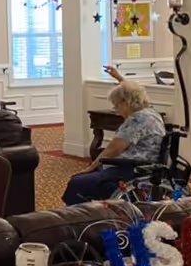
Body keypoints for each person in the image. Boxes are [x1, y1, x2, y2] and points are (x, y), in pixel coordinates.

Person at [62, 75, 165, 205]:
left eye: (116, 105)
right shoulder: (151, 113)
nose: (116, 110)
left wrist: (92, 166)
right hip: (145, 165)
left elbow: (114, 149)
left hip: (132, 169)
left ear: (126, 102)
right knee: (87, 178)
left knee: (77, 181)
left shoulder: (137, 119)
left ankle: (77, 218)